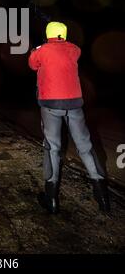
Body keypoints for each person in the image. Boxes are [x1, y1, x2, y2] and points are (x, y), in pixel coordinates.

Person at [28, 21, 110, 214]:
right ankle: (102, 197)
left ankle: (52, 199)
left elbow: (32, 64)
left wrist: (37, 48)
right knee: (85, 146)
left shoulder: (43, 50)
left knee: (52, 147)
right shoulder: (74, 49)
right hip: (74, 103)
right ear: (64, 34)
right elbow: (73, 53)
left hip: (50, 104)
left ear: (48, 34)